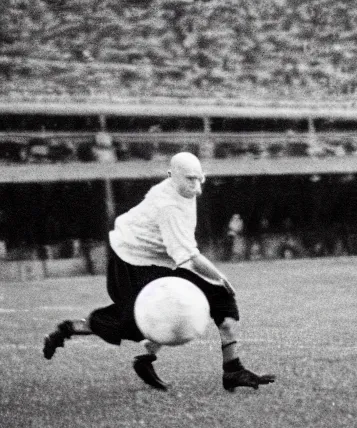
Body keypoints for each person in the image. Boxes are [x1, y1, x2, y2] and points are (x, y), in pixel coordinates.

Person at [43, 152, 275, 392]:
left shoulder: (184, 190)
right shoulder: (169, 206)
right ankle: (68, 329)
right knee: (133, 322)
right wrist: (221, 277)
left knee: (220, 297)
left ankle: (233, 370)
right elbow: (189, 257)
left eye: (199, 179)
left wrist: (217, 283)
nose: (196, 187)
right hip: (130, 259)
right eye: (190, 179)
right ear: (171, 176)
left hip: (160, 258)